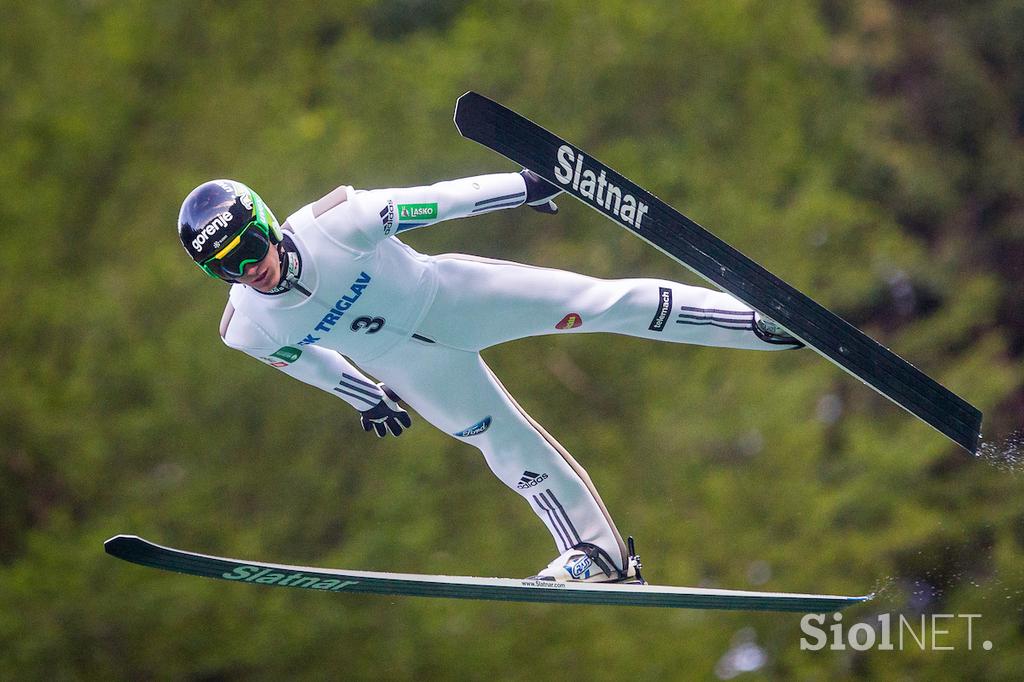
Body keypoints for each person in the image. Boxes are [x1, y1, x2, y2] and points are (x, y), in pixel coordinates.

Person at [177, 171, 802, 584]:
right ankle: (597, 555)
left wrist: (525, 186)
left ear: (265, 224)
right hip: (414, 365)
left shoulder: (338, 222)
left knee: (603, 302)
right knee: (503, 443)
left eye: (248, 248)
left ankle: (757, 322)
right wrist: (364, 396)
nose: (248, 270)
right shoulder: (248, 328)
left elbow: (439, 201)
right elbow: (300, 361)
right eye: (225, 267)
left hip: (455, 297)